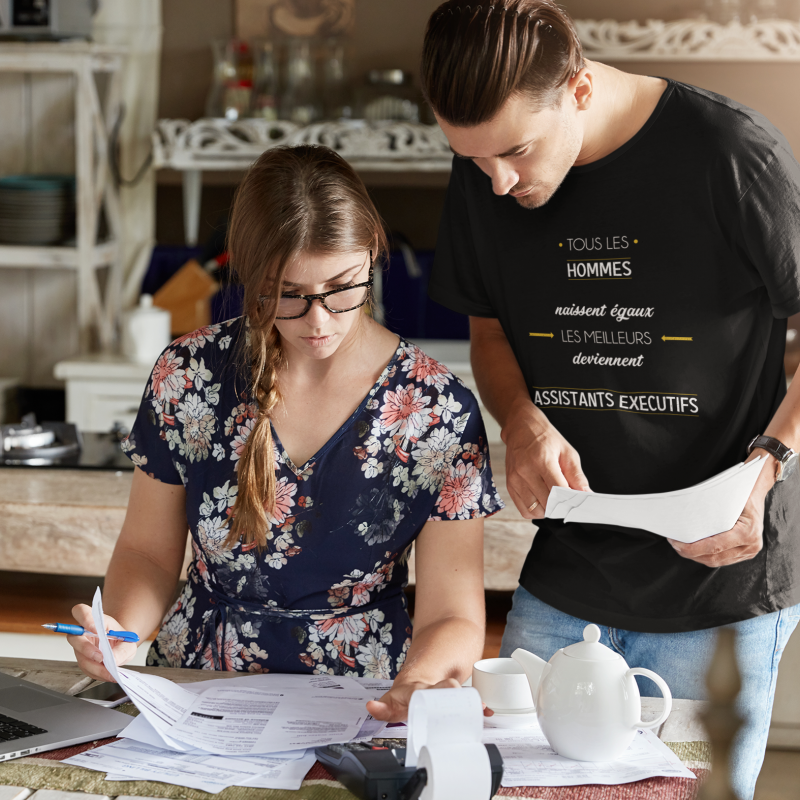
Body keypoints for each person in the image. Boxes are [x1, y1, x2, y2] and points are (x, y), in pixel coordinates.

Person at [420, 1, 800, 797]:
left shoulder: (731, 152)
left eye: (516, 152)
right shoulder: (487, 163)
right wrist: (520, 421)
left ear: (581, 89)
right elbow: (488, 331)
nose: (498, 182)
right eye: (473, 159)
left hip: (717, 579)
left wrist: (769, 464)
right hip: (568, 570)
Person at [68, 144, 503, 723]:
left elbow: (453, 613)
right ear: (249, 274)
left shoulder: (437, 409)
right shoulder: (188, 375)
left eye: (342, 286)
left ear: (372, 254)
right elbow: (147, 552)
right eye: (288, 294)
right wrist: (119, 630)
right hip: (195, 687)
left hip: (366, 698)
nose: (319, 320)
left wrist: (422, 680)